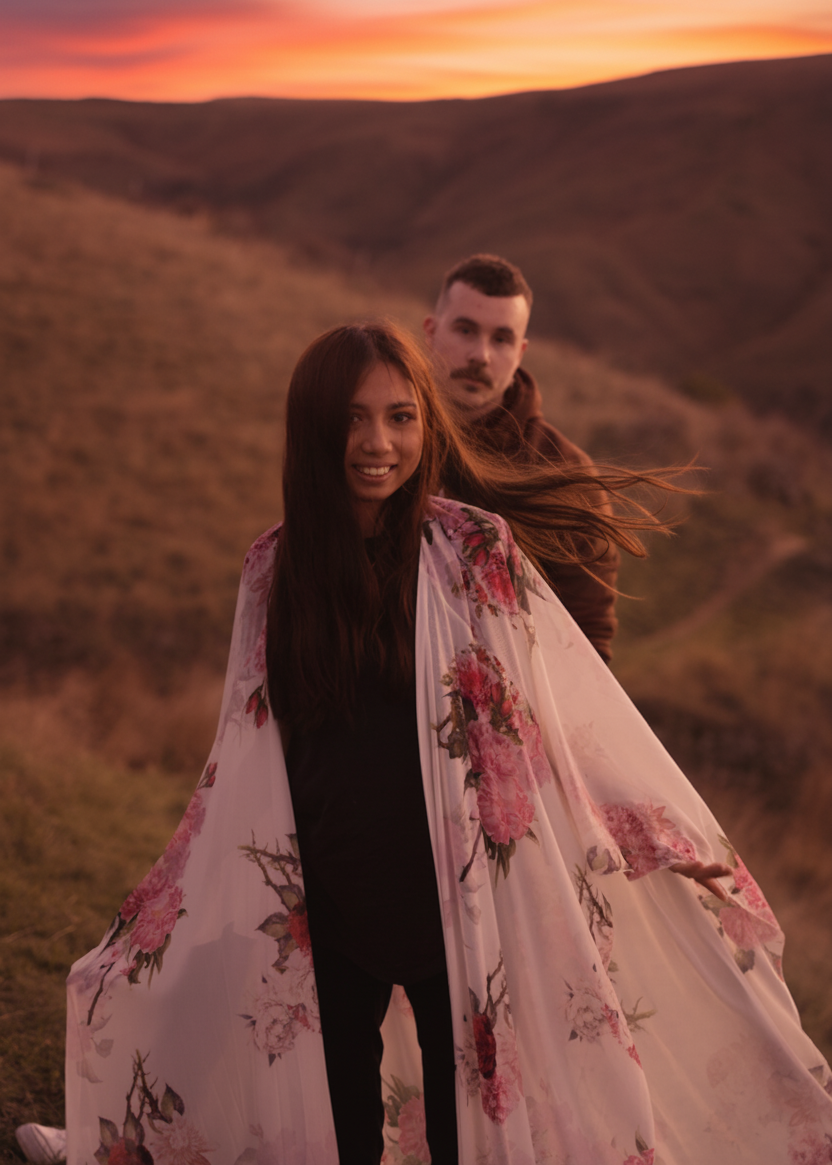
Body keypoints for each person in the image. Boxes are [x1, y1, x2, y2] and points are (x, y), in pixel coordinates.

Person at [65, 323, 832, 1165]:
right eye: (354, 419)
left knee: (473, 1130)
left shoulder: (472, 552)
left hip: (457, 907)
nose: (378, 443)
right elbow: (242, 753)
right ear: (312, 427)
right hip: (326, 898)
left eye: (401, 417)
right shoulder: (274, 571)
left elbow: (551, 724)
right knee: (343, 1131)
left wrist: (649, 830)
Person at [424, 254, 619, 662]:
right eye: (465, 330)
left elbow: (587, 645)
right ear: (431, 331)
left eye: (501, 339)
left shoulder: (565, 475)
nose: (481, 355)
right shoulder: (382, 442)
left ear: (521, 351)